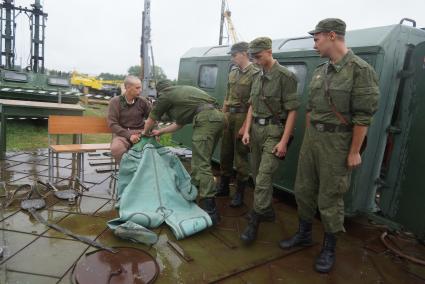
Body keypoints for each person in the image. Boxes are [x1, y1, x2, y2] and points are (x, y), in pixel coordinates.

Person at [279, 18, 380, 273]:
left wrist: (355, 150)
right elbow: (311, 108)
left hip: (338, 143)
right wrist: (310, 138)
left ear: (332, 36)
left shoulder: (360, 70)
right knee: (303, 190)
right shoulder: (320, 71)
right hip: (313, 141)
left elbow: (363, 117)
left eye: (317, 38)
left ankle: (329, 247)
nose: (315, 44)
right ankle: (303, 233)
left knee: (330, 197)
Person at [240, 37, 300, 244]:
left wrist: (283, 141)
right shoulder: (258, 76)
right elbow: (251, 106)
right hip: (255, 130)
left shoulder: (286, 77)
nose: (255, 61)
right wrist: (246, 130)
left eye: (258, 57)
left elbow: (293, 111)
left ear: (268, 51)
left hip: (274, 132)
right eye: (252, 58)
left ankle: (254, 221)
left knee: (264, 178)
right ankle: (267, 211)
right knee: (256, 176)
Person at [142, 80, 225, 224]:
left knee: (201, 163)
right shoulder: (182, 93)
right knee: (202, 159)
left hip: (206, 119)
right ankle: (195, 192)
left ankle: (211, 211)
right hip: (219, 117)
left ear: (160, 92)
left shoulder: (166, 95)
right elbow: (178, 124)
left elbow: (151, 119)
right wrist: (160, 131)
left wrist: (144, 133)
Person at [215, 41, 258, 207]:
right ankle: (224, 187)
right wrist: (222, 116)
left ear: (245, 53)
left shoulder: (255, 73)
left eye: (234, 55)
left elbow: (253, 104)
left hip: (243, 116)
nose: (232, 59)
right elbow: (227, 96)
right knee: (225, 153)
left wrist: (244, 127)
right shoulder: (232, 72)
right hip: (229, 116)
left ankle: (240, 194)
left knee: (240, 156)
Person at [107, 75, 152, 163]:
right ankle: (127, 172)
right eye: (137, 88)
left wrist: (155, 130)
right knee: (116, 148)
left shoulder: (143, 102)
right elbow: (112, 124)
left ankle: (143, 172)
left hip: (141, 134)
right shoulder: (115, 102)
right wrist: (129, 135)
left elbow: (153, 118)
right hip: (122, 135)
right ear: (128, 87)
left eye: (140, 88)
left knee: (150, 149)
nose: (140, 90)